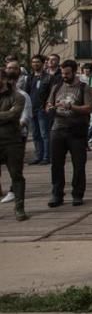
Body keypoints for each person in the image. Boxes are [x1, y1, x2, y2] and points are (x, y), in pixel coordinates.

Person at [47, 60, 92, 207]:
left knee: (78, 164)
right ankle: (57, 194)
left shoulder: (83, 87)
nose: (64, 76)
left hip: (76, 130)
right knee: (56, 164)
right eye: (62, 73)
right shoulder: (57, 87)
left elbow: (89, 108)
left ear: (74, 72)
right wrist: (50, 108)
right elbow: (48, 104)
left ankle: (77, 194)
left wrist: (71, 107)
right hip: (58, 129)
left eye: (67, 73)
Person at [0, 70, 28, 220]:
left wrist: (8, 114)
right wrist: (6, 114)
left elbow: (14, 115)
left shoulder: (17, 96)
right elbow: (8, 115)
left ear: (4, 79)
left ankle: (19, 207)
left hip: (12, 141)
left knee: (16, 174)